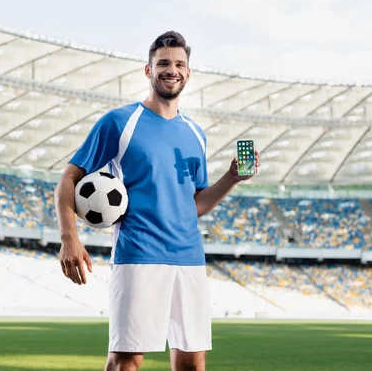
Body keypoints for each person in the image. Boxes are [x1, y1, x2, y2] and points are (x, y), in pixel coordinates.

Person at [54, 30, 260, 371]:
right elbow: (68, 178)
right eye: (163, 63)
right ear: (148, 71)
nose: (172, 69)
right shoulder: (119, 122)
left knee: (192, 364)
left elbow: (192, 205)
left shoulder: (196, 133)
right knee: (125, 362)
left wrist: (232, 178)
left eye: (180, 63)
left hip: (190, 259)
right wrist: (69, 237)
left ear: (188, 73)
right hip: (139, 255)